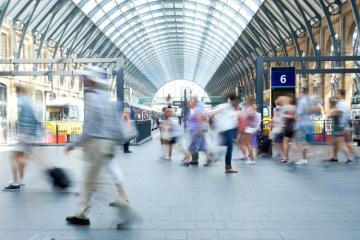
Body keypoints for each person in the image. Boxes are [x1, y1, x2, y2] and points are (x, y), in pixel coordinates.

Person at [65, 66, 137, 228]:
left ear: (91, 80)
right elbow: (117, 126)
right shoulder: (107, 98)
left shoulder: (91, 97)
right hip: (108, 144)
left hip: (97, 144)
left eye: (85, 78)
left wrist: (75, 144)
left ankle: (126, 211)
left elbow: (90, 125)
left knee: (97, 183)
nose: (83, 80)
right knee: (91, 182)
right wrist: (117, 142)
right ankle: (81, 214)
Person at [3, 85, 43, 191]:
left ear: (19, 91)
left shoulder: (23, 102)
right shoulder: (31, 102)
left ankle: (16, 183)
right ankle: (20, 179)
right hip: (31, 136)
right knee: (22, 158)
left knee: (13, 157)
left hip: (25, 135)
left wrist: (23, 135)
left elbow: (24, 120)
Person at [212, 93, 238, 173]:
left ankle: (215, 154)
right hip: (226, 130)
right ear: (232, 100)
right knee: (229, 146)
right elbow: (213, 112)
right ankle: (228, 167)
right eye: (235, 101)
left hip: (229, 130)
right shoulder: (225, 106)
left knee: (225, 145)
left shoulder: (231, 108)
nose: (236, 103)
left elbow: (234, 117)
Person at [183, 97, 212, 166]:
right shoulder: (195, 110)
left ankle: (187, 160)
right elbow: (204, 118)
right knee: (202, 146)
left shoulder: (197, 110)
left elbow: (200, 120)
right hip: (196, 130)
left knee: (192, 145)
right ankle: (209, 159)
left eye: (189, 102)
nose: (188, 104)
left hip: (196, 130)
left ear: (194, 103)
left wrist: (199, 129)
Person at [294, 88, 316, 165]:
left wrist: (296, 124)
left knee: (301, 142)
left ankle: (304, 158)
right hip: (310, 124)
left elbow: (298, 113)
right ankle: (306, 155)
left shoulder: (302, 101)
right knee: (306, 141)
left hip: (302, 124)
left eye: (300, 92)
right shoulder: (310, 101)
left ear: (302, 93)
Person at [326, 97, 352, 163]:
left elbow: (328, 115)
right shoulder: (336, 109)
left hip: (338, 129)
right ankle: (334, 157)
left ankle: (349, 158)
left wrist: (329, 111)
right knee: (334, 144)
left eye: (329, 103)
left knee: (341, 144)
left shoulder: (335, 110)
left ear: (331, 104)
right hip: (336, 129)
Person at [281, 96, 296, 163]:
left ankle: (286, 157)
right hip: (294, 126)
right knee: (292, 141)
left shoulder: (289, 107)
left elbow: (286, 117)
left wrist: (285, 116)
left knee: (285, 142)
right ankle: (288, 156)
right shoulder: (296, 108)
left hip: (289, 126)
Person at [243, 96, 257, 164]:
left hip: (249, 127)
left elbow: (250, 115)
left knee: (249, 144)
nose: (246, 101)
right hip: (249, 127)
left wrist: (245, 114)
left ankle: (252, 160)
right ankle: (251, 158)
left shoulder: (251, 108)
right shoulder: (251, 107)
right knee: (248, 143)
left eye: (246, 99)